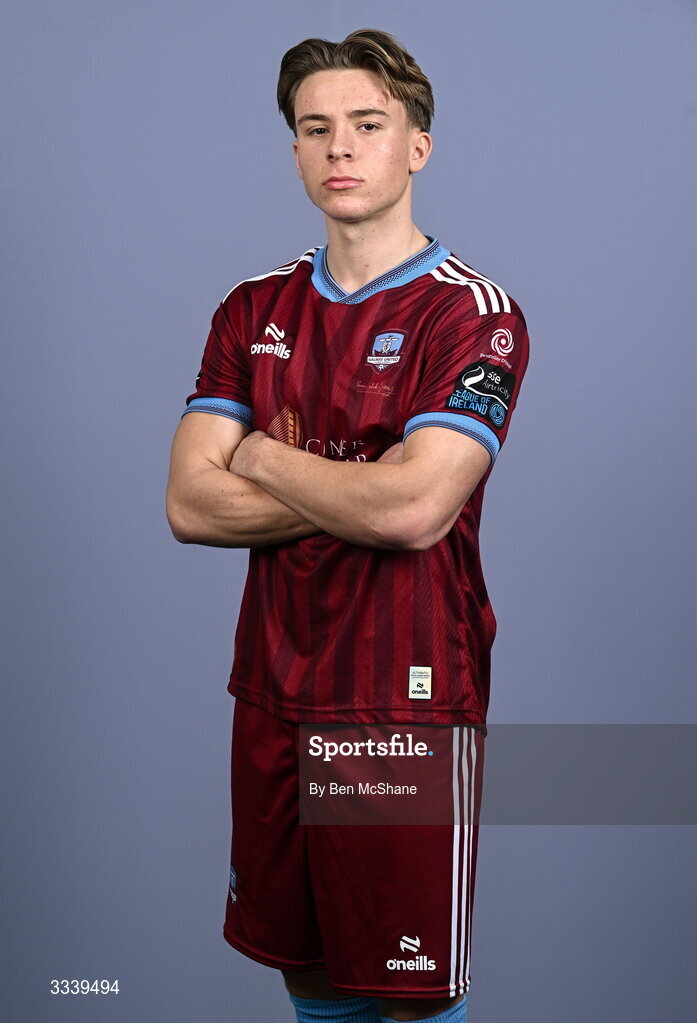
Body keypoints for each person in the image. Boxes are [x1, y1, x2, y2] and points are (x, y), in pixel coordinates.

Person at [166, 27, 529, 1023]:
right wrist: (357, 481)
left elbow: (415, 509)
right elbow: (188, 506)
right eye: (316, 128)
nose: (340, 148)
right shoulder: (252, 309)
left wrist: (261, 454)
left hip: (402, 705)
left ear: (416, 144)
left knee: (405, 992)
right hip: (275, 691)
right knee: (307, 971)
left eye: (367, 125)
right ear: (293, 149)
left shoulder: (475, 316)